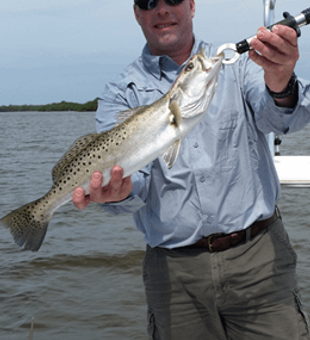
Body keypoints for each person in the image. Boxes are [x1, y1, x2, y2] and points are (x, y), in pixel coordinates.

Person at [73, 0, 310, 339]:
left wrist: (281, 81)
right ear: (137, 13)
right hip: (173, 275)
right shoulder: (119, 93)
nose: (162, 10)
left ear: (192, 6)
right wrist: (117, 194)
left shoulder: (238, 64)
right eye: (148, 2)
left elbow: (284, 119)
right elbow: (133, 187)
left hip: (259, 260)